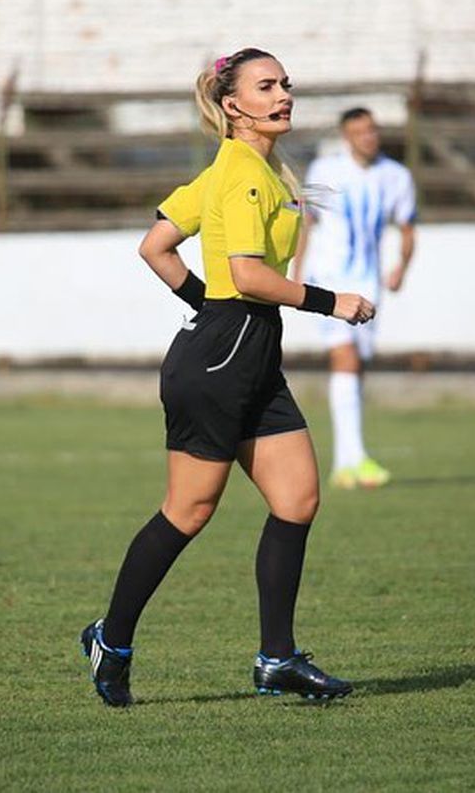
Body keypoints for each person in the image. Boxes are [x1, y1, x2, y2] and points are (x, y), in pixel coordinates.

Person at [79, 48, 374, 707]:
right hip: (219, 362)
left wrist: (208, 309)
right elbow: (245, 275)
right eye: (266, 86)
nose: (283, 94)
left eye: (286, 83)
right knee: (189, 510)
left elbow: (155, 245)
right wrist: (333, 301)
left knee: (296, 498)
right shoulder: (241, 172)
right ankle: (113, 639)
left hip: (245, 352)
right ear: (235, 105)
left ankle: (276, 659)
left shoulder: (243, 169)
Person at [291, 107, 417, 490]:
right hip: (328, 278)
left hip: (369, 283)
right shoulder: (325, 171)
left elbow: (408, 227)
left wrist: (401, 267)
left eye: (372, 130)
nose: (368, 137)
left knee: (356, 364)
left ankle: (348, 463)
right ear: (346, 136)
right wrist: (297, 270)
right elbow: (304, 220)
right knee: (344, 356)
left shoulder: (396, 176)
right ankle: (354, 458)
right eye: (359, 131)